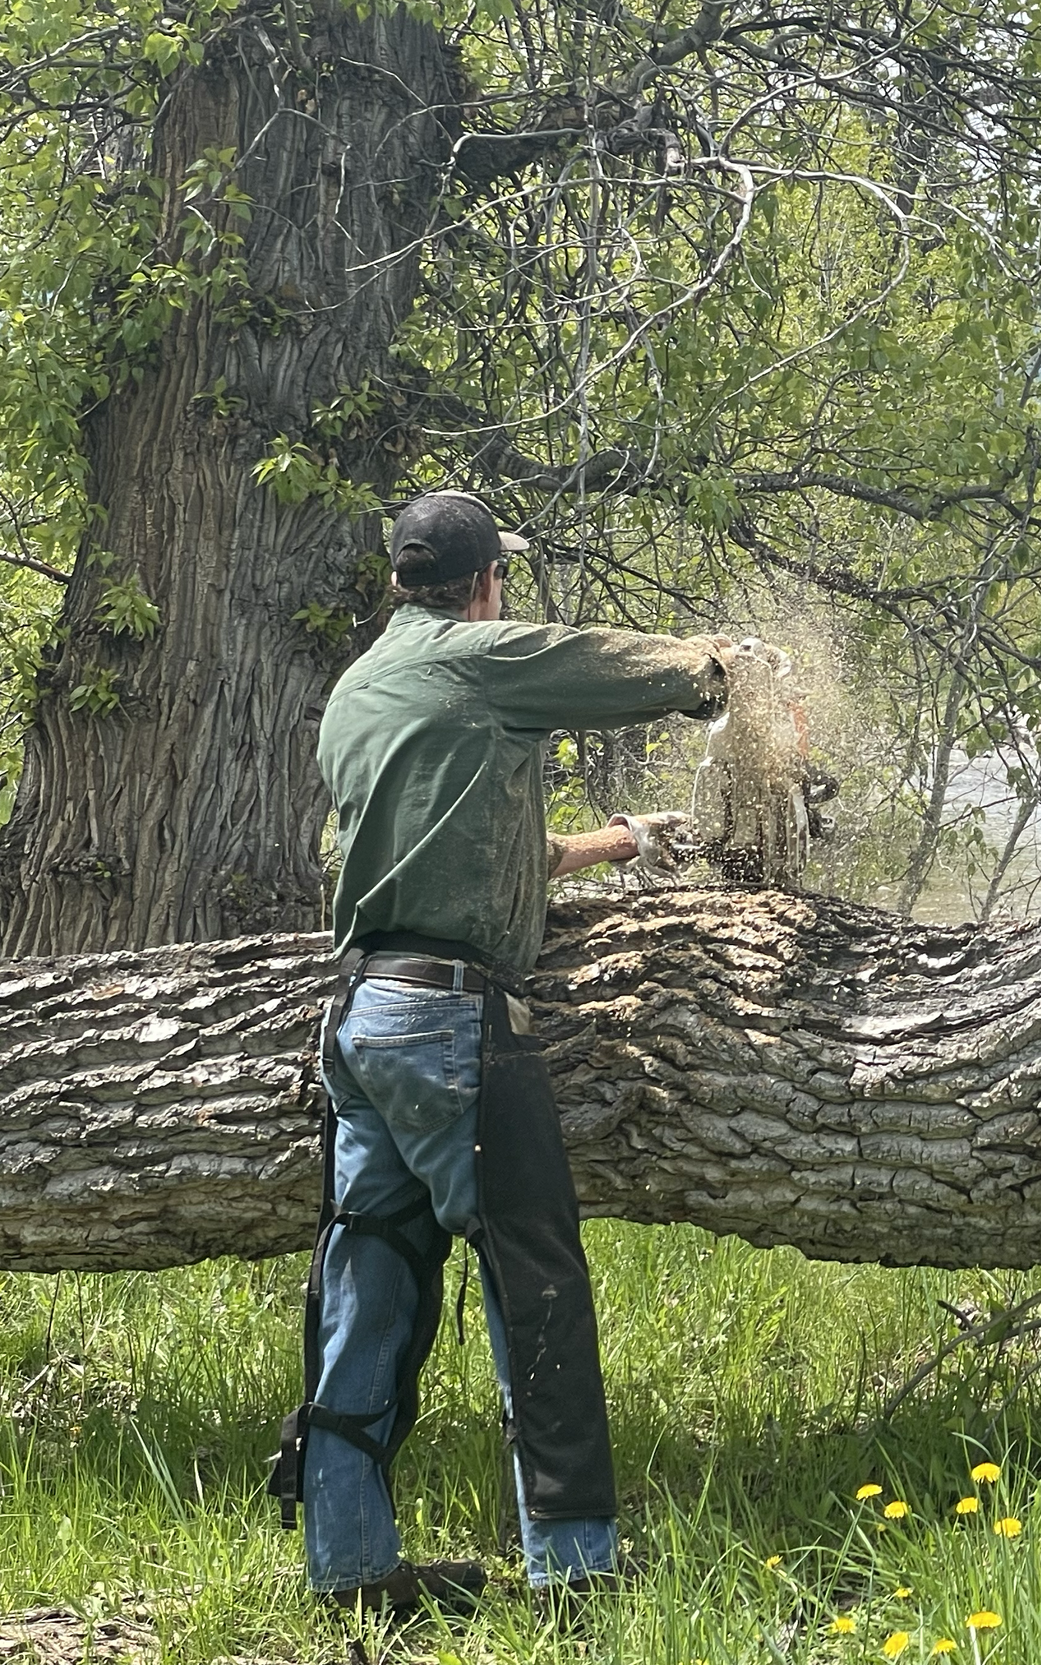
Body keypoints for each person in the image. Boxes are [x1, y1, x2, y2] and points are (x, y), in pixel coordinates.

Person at [271, 490, 734, 1619]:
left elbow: (451, 847)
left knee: (369, 1276)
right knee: (536, 1280)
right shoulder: (480, 659)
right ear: (484, 585)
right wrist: (731, 670)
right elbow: (619, 665)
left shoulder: (362, 687)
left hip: (363, 1019)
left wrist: (619, 843)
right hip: (451, 1022)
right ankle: (575, 1570)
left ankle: (347, 1562)